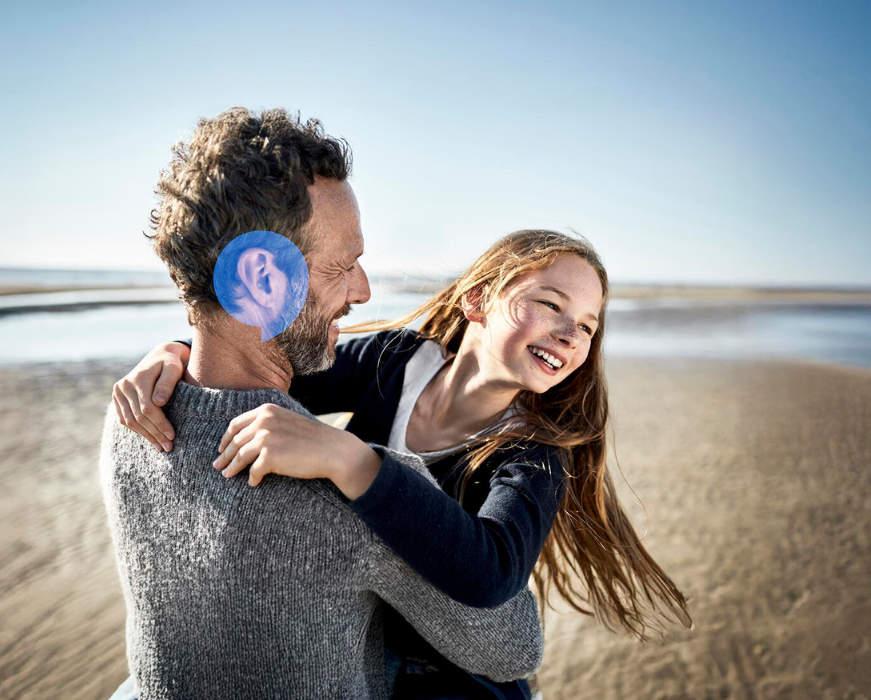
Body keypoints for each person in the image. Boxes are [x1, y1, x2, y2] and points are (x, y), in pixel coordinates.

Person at [115, 230, 693, 698]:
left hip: (445, 668)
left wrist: (355, 461)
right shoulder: (398, 359)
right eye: (550, 305)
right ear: (477, 301)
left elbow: (490, 574)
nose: (571, 334)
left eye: (589, 327)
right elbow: (273, 370)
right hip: (352, 630)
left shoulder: (534, 452)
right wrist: (180, 352)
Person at [101, 107, 545, 700]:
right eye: (342, 265)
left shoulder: (130, 418)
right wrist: (389, 476)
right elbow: (512, 647)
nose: (362, 291)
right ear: (261, 280)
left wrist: (178, 350)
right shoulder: (342, 493)